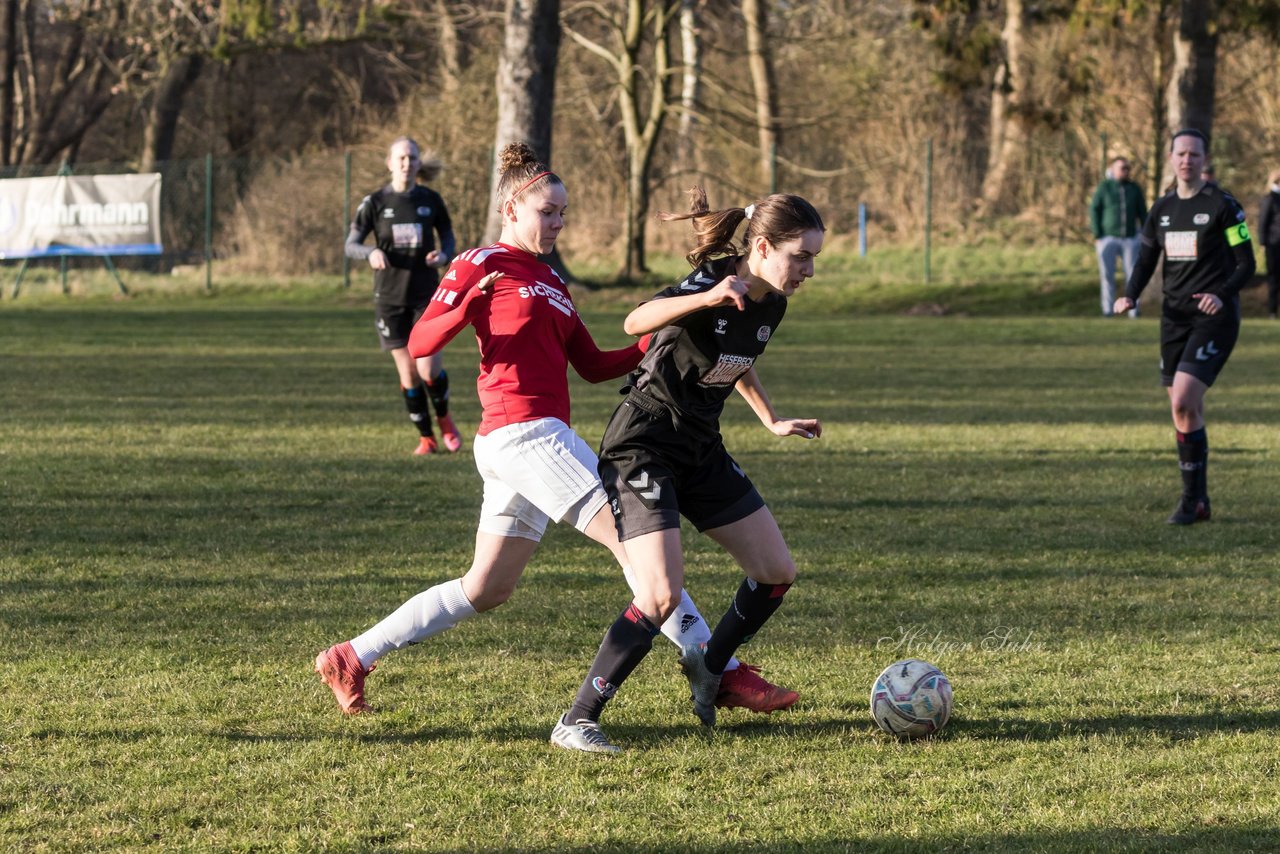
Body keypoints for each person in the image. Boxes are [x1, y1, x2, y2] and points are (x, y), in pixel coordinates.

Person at [315, 144, 794, 718]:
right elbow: (420, 343)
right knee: (635, 541)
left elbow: (593, 365)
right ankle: (719, 669)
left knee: (486, 588)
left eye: (563, 213)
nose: (558, 223)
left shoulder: (552, 282)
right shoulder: (480, 261)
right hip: (523, 435)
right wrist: (467, 299)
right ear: (512, 208)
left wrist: (666, 330)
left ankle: (352, 655)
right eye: (548, 212)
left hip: (529, 442)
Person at [552, 189, 825, 754]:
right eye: (801, 256)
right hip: (644, 444)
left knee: (776, 571)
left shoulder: (771, 300)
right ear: (766, 247)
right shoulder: (715, 281)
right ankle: (576, 720)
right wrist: (704, 299)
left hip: (700, 446)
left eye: (814, 257)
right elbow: (635, 320)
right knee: (660, 594)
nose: (809, 269)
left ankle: (713, 669)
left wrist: (771, 420)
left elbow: (733, 361)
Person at [1113, 129, 1255, 525]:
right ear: (1171, 158)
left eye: (1194, 154)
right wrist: (1131, 294)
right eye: (1181, 154)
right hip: (1173, 320)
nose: (1187, 160)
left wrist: (1222, 294)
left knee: (1182, 400)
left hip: (1214, 318)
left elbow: (1247, 264)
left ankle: (1190, 500)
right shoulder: (1161, 210)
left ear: (1204, 159)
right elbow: (1145, 260)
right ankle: (1200, 501)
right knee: (1185, 411)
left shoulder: (1223, 207)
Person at [346, 136, 463, 456]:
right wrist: (369, 252)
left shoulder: (431, 200)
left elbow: (449, 239)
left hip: (428, 296)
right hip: (390, 297)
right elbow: (351, 244)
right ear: (389, 163)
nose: (406, 163)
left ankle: (446, 422)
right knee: (409, 374)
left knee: (428, 370)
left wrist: (443, 256)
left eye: (412, 158)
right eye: (400, 158)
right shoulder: (375, 202)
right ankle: (426, 438)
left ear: (418, 163)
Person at [1090, 156, 1147, 318]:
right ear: (1113, 169)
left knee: (1133, 275)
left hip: (1130, 238)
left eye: (1127, 168)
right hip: (1107, 238)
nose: (1125, 171)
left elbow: (1142, 212)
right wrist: (1097, 234)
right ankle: (1108, 310)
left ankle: (1134, 310)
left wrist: (1145, 233)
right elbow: (1094, 209)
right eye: (1122, 168)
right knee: (1107, 276)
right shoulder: (1104, 187)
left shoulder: (1134, 188)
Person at [1258, 168, 1280, 319]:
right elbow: (1263, 223)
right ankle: (1272, 311)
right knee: (1274, 278)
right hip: (1274, 245)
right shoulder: (1270, 199)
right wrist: (1263, 243)